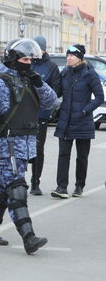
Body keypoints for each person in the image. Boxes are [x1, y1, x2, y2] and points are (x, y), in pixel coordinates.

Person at [0, 38, 57, 255]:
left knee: (4, 187)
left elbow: (50, 101)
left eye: (31, 59)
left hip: (26, 143)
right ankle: (28, 237)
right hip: (6, 143)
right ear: (12, 58)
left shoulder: (29, 79)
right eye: (24, 58)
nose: (29, 63)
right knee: (16, 188)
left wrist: (38, 81)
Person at [51, 45, 104, 199]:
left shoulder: (90, 74)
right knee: (63, 154)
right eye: (67, 55)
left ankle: (79, 185)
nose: (68, 58)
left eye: (71, 56)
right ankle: (61, 187)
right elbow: (57, 92)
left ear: (79, 58)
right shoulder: (65, 73)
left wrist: (85, 111)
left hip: (83, 121)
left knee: (81, 157)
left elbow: (100, 97)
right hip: (66, 121)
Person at [28, 36, 61, 196]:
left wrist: (43, 98)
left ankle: (35, 182)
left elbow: (56, 91)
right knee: (20, 147)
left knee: (38, 148)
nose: (34, 53)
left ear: (43, 49)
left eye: (37, 49)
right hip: (24, 113)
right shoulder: (27, 63)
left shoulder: (51, 66)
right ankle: (17, 181)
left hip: (41, 114)